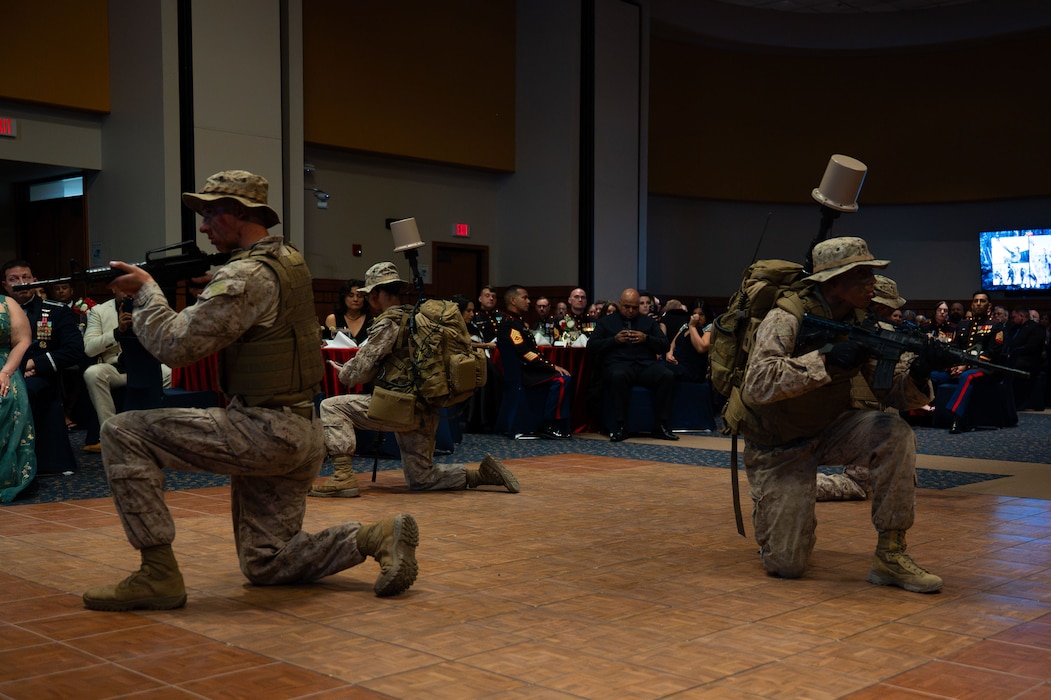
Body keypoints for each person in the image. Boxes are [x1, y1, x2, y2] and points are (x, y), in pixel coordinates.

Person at [81, 170, 419, 612]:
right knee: (267, 562)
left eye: (209, 214)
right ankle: (372, 536)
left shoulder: (244, 276)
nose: (202, 227)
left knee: (123, 432)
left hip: (264, 430)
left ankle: (157, 574)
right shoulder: (287, 259)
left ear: (238, 213)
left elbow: (176, 346)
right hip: (300, 428)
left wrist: (147, 294)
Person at [736, 237, 941, 593]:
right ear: (834, 282)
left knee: (894, 431)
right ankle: (771, 508)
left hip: (829, 427)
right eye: (862, 275)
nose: (872, 284)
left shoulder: (861, 321)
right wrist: (824, 362)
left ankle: (890, 555)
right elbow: (757, 383)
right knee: (788, 565)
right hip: (779, 445)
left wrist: (921, 372)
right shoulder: (786, 318)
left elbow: (891, 392)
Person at [313, 261, 519, 498]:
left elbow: (357, 374)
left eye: (370, 295)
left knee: (331, 406)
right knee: (421, 478)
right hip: (427, 407)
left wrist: (343, 372)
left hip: (397, 407)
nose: (368, 300)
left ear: (377, 294)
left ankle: (342, 477)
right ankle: (479, 475)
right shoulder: (421, 318)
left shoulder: (388, 322)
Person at [2, 260, 86, 475]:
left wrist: (32, 364)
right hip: (6, 372)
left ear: (35, 281)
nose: (21, 283)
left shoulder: (56, 311)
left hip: (41, 377)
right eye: (14, 279)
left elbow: (74, 350)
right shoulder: (2, 311)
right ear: (5, 285)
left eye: (26, 277)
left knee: (20, 391)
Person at [81, 293, 173, 452]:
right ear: (114, 288)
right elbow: (89, 349)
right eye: (123, 287)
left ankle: (155, 433)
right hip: (115, 368)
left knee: (169, 373)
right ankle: (111, 435)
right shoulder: (99, 311)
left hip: (145, 366)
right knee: (92, 373)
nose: (129, 292)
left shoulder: (153, 307)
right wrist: (118, 331)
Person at [588, 288, 678, 442]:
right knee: (618, 376)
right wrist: (614, 340)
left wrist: (647, 338)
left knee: (667, 375)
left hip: (645, 365)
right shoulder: (606, 322)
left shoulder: (648, 322)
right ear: (619, 304)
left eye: (634, 308)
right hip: (618, 364)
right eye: (626, 307)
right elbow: (591, 346)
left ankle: (660, 426)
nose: (630, 311)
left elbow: (664, 345)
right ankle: (620, 426)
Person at [497, 285, 572, 440]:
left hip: (529, 369)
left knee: (562, 377)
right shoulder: (510, 324)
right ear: (513, 300)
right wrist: (552, 366)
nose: (528, 301)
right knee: (561, 380)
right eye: (524, 297)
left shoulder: (517, 322)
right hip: (525, 372)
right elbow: (525, 354)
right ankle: (549, 423)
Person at [0, 292, 36, 503]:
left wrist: (6, 372)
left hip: (4, 365)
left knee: (6, 398)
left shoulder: (7, 303)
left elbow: (23, 340)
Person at [665, 301, 711, 382]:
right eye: (694, 314)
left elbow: (701, 348)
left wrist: (692, 326)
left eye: (701, 314)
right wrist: (669, 354)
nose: (697, 317)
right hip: (677, 364)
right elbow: (672, 345)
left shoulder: (709, 327)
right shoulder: (686, 325)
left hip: (693, 369)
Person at [323, 278, 370, 345]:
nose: (355, 299)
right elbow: (327, 344)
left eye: (359, 296)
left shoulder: (371, 320)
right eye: (351, 295)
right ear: (344, 297)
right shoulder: (333, 319)